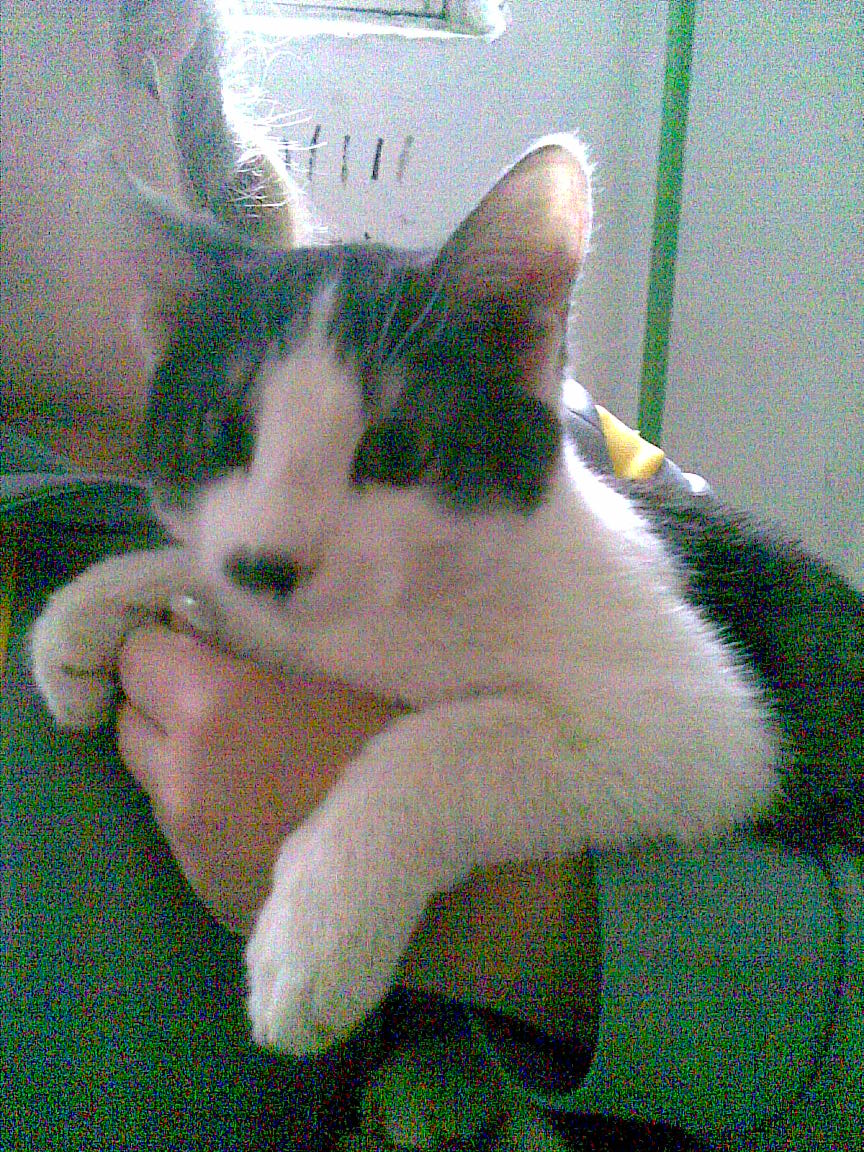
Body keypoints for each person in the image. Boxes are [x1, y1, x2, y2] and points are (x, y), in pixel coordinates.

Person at [3, 4, 860, 1149]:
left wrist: (442, 862)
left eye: (390, 459)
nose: (269, 545)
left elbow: (719, 746)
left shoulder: (529, 439)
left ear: (151, 21)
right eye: (228, 454)